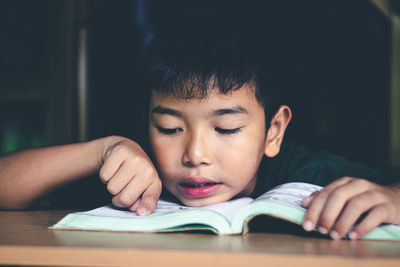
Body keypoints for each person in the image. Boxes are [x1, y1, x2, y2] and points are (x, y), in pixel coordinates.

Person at [0, 11, 399, 241]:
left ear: (273, 131)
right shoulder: (135, 171)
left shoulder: (309, 175)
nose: (194, 155)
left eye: (226, 130)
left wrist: (392, 198)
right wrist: (101, 151)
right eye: (170, 129)